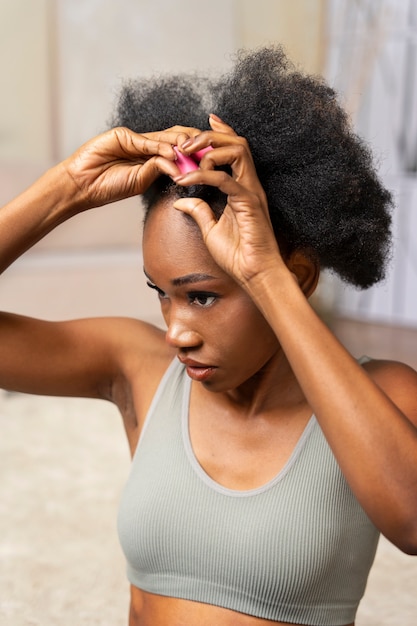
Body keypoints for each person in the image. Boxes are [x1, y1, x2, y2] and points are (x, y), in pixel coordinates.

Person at [1, 45, 416, 626]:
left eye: (202, 296)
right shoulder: (138, 367)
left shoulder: (384, 393)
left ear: (295, 274)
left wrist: (265, 274)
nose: (175, 332)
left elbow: (411, 521)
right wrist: (67, 188)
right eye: (161, 292)